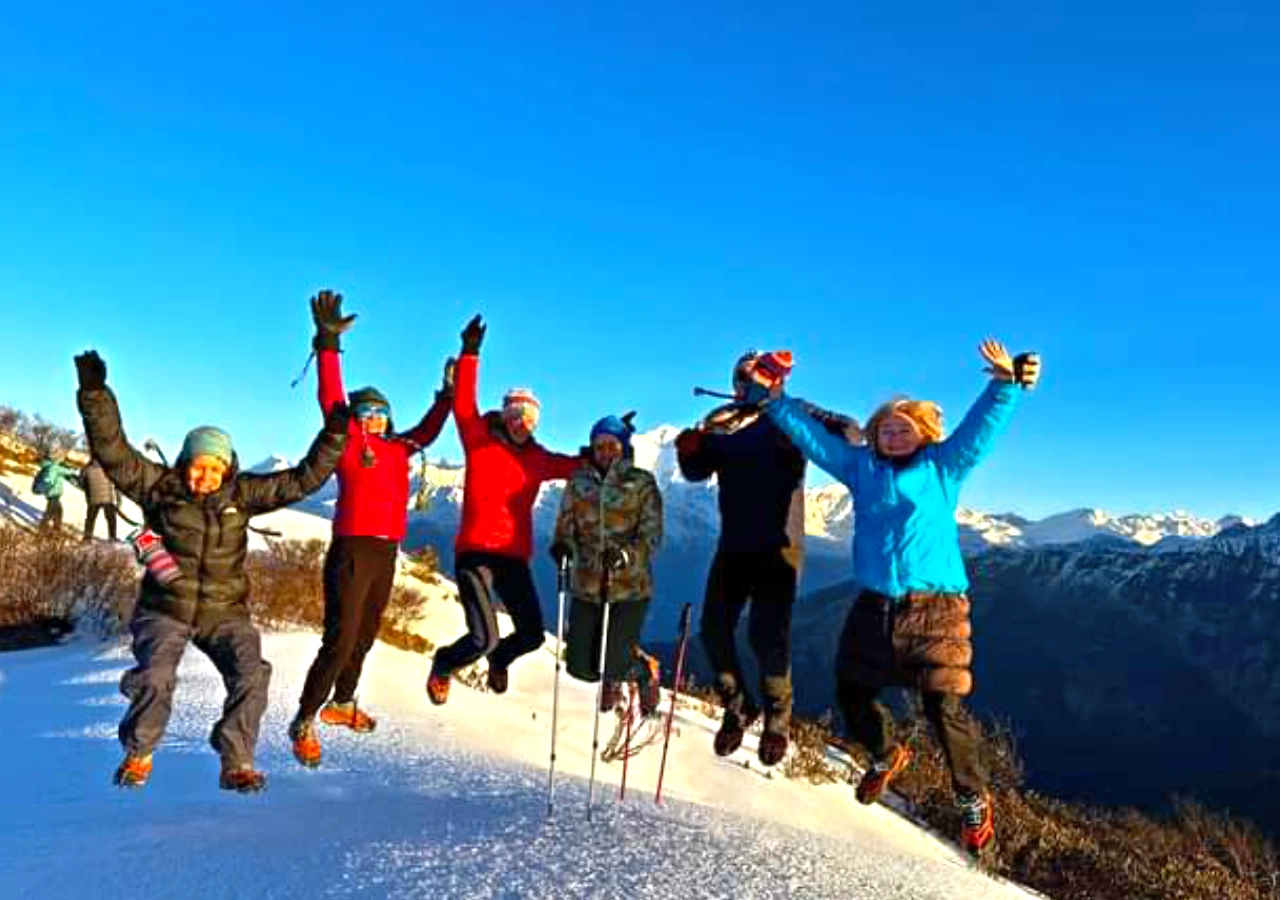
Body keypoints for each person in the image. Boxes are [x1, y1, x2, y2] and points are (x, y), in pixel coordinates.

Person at [763, 338, 1041, 856]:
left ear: (923, 432)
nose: (892, 436)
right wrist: (774, 400)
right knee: (851, 691)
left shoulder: (942, 466)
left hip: (936, 608)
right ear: (873, 436)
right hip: (874, 604)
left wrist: (1005, 386)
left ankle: (972, 797)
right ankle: (885, 752)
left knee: (942, 705)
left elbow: (980, 433)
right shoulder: (860, 468)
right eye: (885, 429)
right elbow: (814, 441)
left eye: (903, 428)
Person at [74, 349, 348, 793]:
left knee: (252, 674)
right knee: (156, 675)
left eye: (215, 468)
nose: (206, 476)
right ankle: (140, 751)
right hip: (165, 609)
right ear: (186, 463)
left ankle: (236, 761)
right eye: (199, 466)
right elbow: (113, 452)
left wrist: (333, 436)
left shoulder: (243, 494)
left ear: (227, 468)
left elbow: (302, 480)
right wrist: (94, 394)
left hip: (225, 612)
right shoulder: (159, 488)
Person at [289, 291, 453, 768]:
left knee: (364, 636)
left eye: (380, 412)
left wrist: (447, 396)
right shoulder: (346, 442)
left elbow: (429, 430)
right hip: (352, 549)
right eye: (367, 413)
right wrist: (328, 343)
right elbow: (330, 398)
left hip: (385, 552)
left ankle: (342, 703)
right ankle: (305, 718)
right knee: (339, 639)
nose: (375, 419)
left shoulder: (400, 447)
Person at [675, 351, 856, 767]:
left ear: (776, 380)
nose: (747, 384)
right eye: (742, 378)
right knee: (713, 629)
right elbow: (698, 471)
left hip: (781, 546)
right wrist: (689, 451)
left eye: (757, 376)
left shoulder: (792, 411)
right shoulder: (720, 420)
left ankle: (778, 717)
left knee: (767, 635)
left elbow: (848, 429)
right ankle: (738, 706)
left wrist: (791, 413)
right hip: (733, 545)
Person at [427, 315, 583, 704]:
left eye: (528, 419)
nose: (521, 424)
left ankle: (500, 659)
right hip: (476, 553)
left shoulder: (538, 458)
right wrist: (470, 352)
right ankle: (445, 663)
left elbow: (572, 466)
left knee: (531, 635)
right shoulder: (479, 439)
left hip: (513, 557)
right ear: (505, 416)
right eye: (515, 416)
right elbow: (464, 405)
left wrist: (609, 448)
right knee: (483, 637)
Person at [549, 413, 663, 712]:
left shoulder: (641, 483)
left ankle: (641, 670)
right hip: (587, 586)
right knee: (578, 667)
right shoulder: (578, 483)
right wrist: (563, 546)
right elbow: (565, 526)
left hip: (629, 587)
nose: (606, 452)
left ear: (624, 447)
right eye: (599, 445)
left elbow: (652, 536)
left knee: (611, 662)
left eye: (613, 445)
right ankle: (613, 671)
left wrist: (626, 555)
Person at [33, 451, 78, 535]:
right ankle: (43, 529)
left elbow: (62, 474)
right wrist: (74, 470)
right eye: (61, 458)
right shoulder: (55, 467)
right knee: (50, 512)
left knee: (58, 511)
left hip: (51, 493)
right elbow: (67, 471)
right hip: (53, 493)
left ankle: (56, 528)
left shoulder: (50, 466)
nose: (62, 460)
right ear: (57, 458)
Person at [81, 456, 121, 541]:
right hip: (107, 499)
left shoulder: (87, 469)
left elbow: (82, 482)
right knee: (111, 519)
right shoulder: (108, 468)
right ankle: (112, 536)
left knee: (90, 519)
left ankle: (87, 537)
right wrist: (118, 499)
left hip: (93, 498)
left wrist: (88, 494)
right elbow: (116, 483)